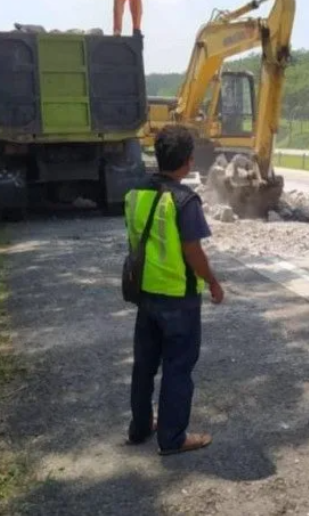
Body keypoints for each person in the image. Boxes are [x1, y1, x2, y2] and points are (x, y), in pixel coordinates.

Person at [124, 124, 224, 455]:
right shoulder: (185, 201)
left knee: (144, 365)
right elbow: (193, 252)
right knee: (178, 369)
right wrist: (212, 280)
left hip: (145, 294)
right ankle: (172, 438)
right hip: (179, 299)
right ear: (188, 161)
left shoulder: (136, 193)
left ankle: (139, 428)